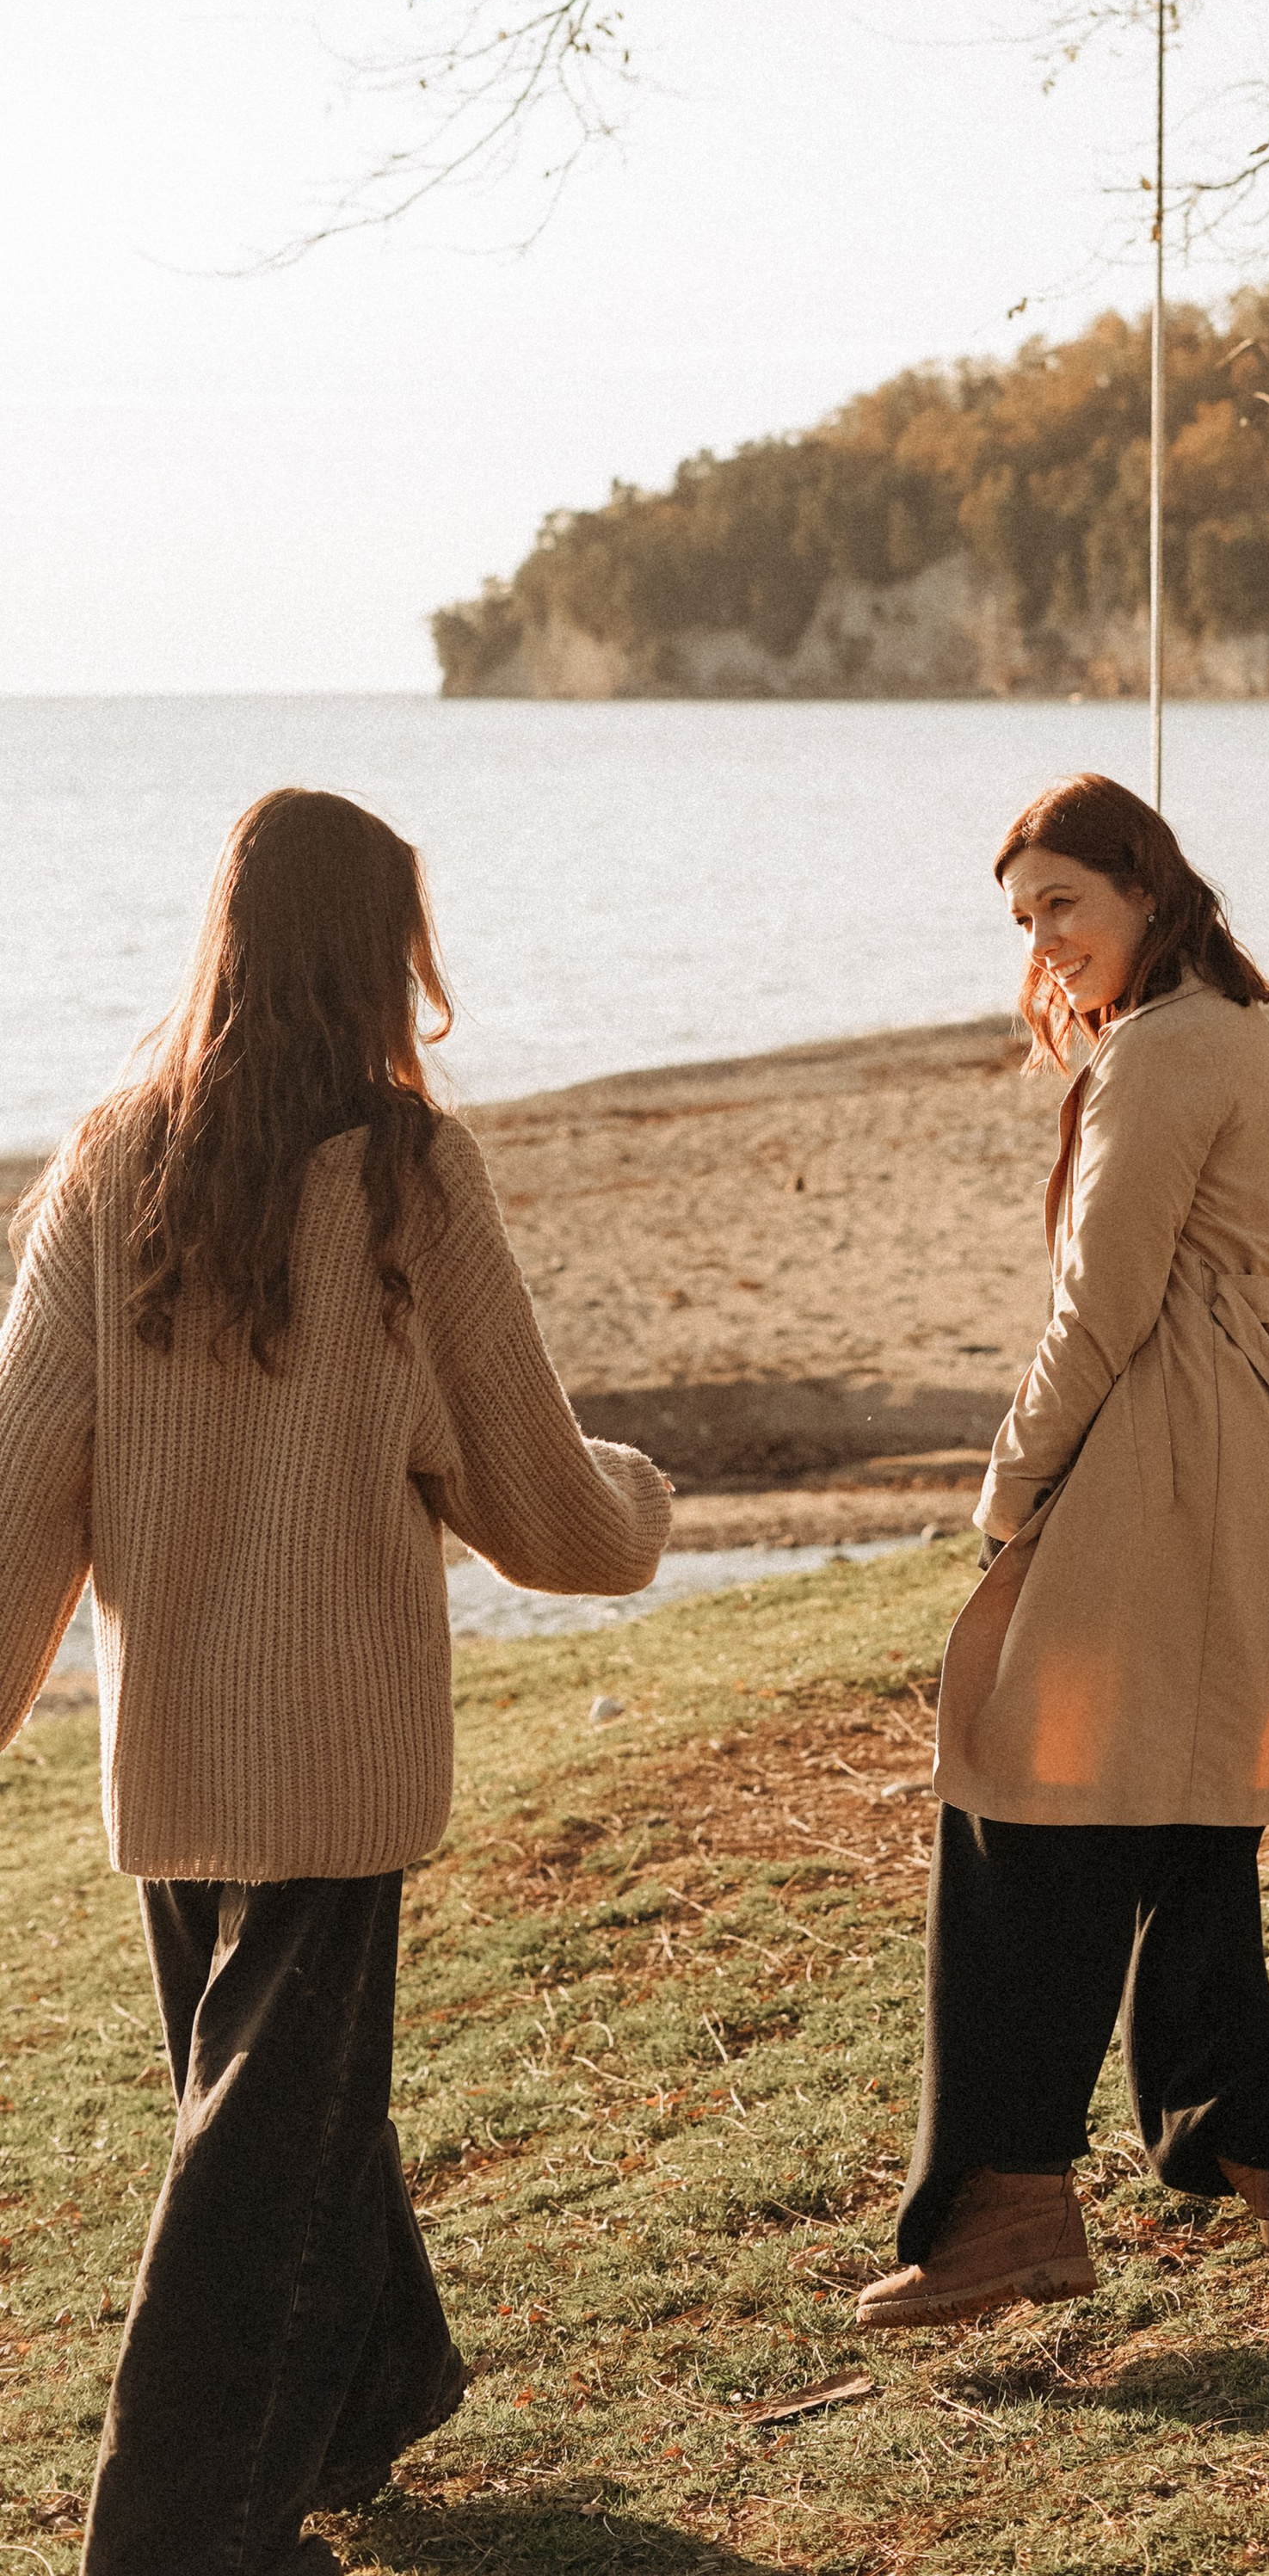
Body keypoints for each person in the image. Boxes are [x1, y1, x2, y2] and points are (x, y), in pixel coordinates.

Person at [0, 789, 673, 2575]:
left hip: (174, 1766)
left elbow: (17, 1486)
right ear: (381, 953)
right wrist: (637, 1511)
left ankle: (372, 2396)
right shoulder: (402, 1173)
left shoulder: (106, 1158)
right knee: (255, 2160)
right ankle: (179, 2538)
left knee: (273, 2116)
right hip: (338, 1759)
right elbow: (529, 1481)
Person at [859, 771, 1269, 2331]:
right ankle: (1253, 2141)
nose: (1046, 940)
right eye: (1024, 920)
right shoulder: (1218, 1030)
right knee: (1180, 1802)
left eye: (1065, 904)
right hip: (1236, 1447)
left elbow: (1102, 1306)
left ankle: (1008, 2202)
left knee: (1027, 1793)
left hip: (1176, 1452)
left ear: (1146, 888)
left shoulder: (1168, 1055)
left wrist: (1010, 1488)